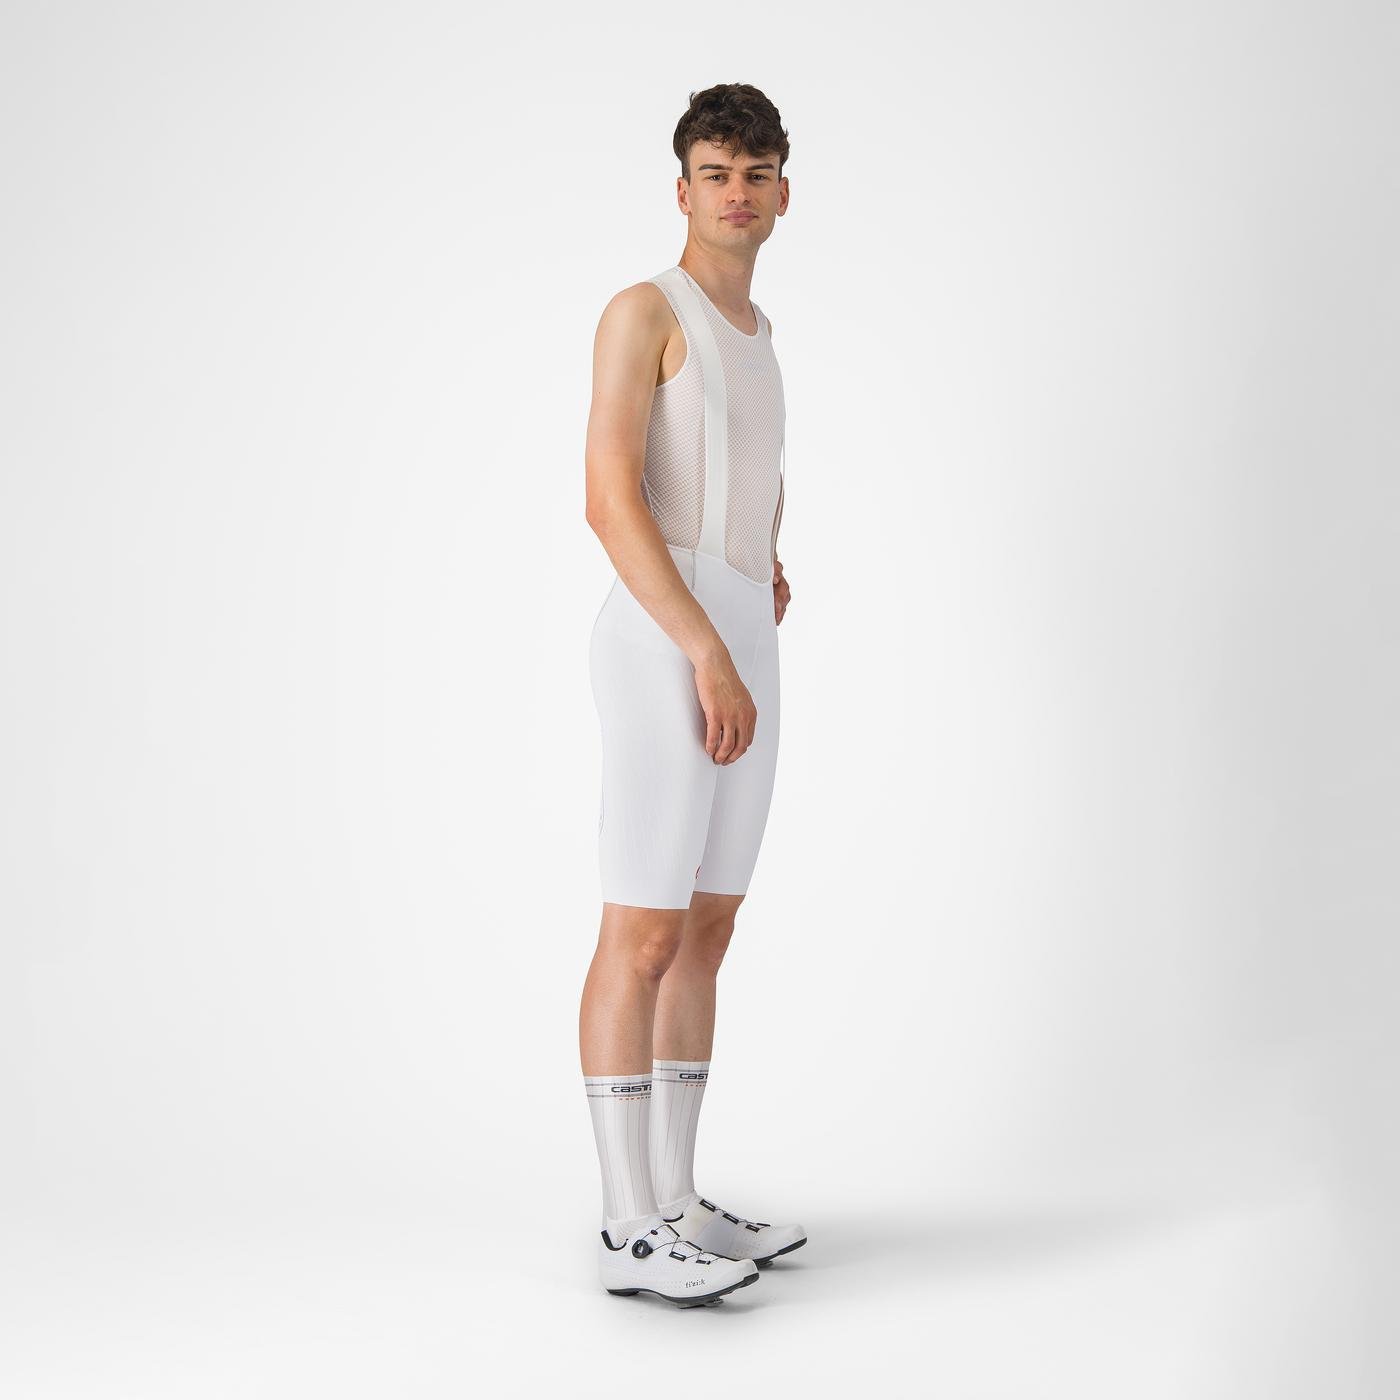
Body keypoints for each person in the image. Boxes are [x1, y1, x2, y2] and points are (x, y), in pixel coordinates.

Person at [579, 83, 806, 1308]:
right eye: (715, 171)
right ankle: (625, 1225)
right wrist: (703, 646)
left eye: (755, 173)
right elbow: (609, 496)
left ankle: (674, 1197)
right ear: (681, 189)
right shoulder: (643, 310)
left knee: (708, 926)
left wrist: (763, 563)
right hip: (665, 641)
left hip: (741, 638)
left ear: (782, 193)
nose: (736, 191)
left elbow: (746, 471)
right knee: (645, 928)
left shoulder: (758, 330)